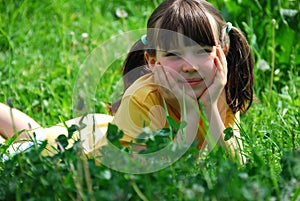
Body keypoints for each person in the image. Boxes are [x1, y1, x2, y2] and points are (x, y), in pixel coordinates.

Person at [1, 0, 254, 161]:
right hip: (70, 157)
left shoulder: (219, 89)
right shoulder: (142, 98)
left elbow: (236, 167)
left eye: (202, 50)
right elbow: (161, 175)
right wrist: (189, 108)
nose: (189, 67)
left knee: (33, 134)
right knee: (18, 151)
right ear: (153, 62)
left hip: (101, 129)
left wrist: (209, 106)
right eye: (174, 55)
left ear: (222, 52)